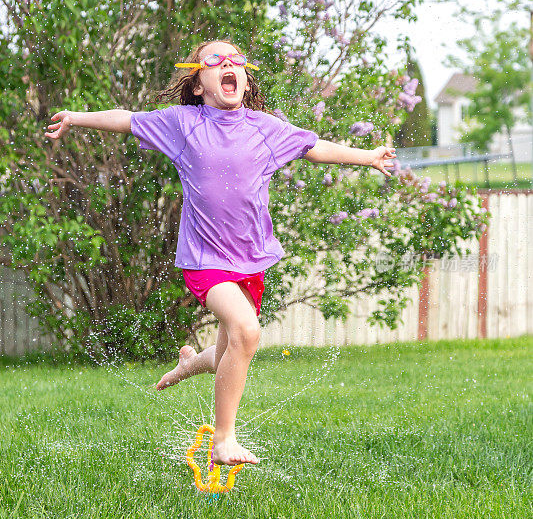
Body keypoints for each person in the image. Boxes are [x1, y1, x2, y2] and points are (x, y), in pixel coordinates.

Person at [44, 38, 396, 467]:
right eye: (215, 60)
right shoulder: (183, 124)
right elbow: (127, 119)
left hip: (250, 260)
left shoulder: (266, 129)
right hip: (205, 259)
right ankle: (224, 439)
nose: (229, 65)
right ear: (198, 85)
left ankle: (191, 363)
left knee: (231, 346)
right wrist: (76, 118)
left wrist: (369, 156)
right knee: (247, 334)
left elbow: (316, 148)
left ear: (245, 82)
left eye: (237, 61)